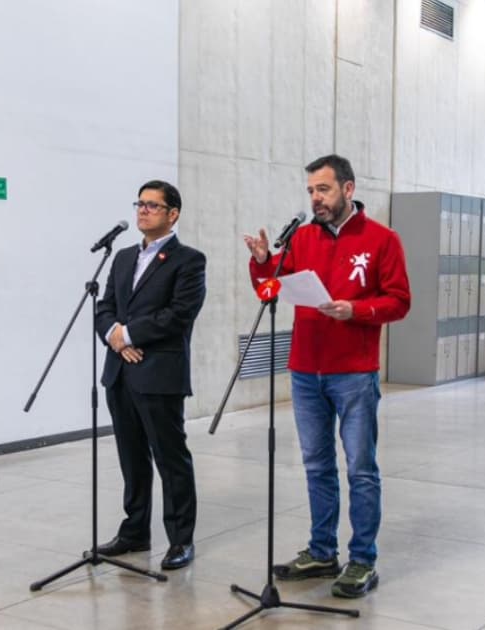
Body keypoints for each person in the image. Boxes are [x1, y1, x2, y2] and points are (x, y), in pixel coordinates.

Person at [244, 154, 411, 598]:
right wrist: (263, 263)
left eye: (323, 189)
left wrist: (355, 310)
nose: (316, 199)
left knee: (360, 469)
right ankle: (321, 551)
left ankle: (362, 560)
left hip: (353, 373)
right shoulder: (300, 239)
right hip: (304, 371)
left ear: (348, 189)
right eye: (311, 191)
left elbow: (399, 301)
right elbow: (268, 292)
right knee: (317, 465)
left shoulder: (382, 239)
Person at [92, 180, 206, 571]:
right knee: (131, 458)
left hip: (159, 375)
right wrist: (116, 338)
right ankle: (135, 531)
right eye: (140, 203)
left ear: (172, 214)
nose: (143, 211)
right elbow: (105, 306)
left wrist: (131, 333)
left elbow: (179, 314)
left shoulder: (189, 260)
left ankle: (180, 540)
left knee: (170, 459)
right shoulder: (122, 257)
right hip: (120, 372)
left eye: (153, 205)